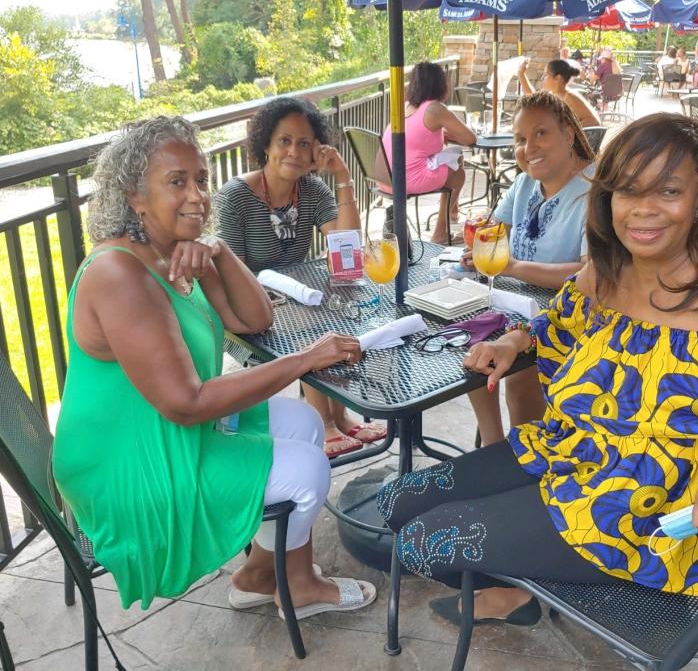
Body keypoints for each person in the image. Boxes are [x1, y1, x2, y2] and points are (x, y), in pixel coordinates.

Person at [377, 112, 698, 627]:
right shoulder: (607, 272)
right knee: (397, 503)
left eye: (669, 191)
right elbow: (558, 322)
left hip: (646, 509)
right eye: (629, 191)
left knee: (422, 542)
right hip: (572, 451)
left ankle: (524, 583)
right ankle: (515, 589)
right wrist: (515, 339)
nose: (644, 211)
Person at [53, 116, 376, 617]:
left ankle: (259, 575)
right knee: (307, 468)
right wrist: (307, 359)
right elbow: (188, 403)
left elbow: (254, 317)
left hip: (162, 429)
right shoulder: (120, 273)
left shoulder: (171, 256)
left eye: (201, 180)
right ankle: (299, 585)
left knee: (306, 422)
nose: (198, 196)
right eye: (176, 182)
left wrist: (220, 251)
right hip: (129, 462)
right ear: (135, 197)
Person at [214, 97, 387, 459]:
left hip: (296, 303)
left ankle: (339, 414)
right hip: (249, 317)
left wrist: (342, 177)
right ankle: (322, 421)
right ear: (266, 145)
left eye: (304, 143)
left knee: (344, 307)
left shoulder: (311, 191)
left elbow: (348, 253)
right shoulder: (234, 198)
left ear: (315, 152)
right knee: (318, 323)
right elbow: (234, 279)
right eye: (284, 141)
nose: (294, 151)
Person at [463, 92, 595, 446]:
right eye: (520, 139)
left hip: (572, 316)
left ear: (568, 134)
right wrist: (476, 249)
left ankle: (523, 451)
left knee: (521, 377)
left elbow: (590, 273)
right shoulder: (524, 184)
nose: (528, 147)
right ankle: (492, 447)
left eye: (541, 133)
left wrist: (513, 266)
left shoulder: (595, 193)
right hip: (517, 304)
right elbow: (495, 232)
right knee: (471, 340)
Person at [382, 61, 477, 243]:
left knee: (457, 157)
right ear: (440, 84)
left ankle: (452, 213)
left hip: (387, 177)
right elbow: (470, 139)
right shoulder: (435, 109)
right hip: (407, 179)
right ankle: (440, 232)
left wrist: (443, 134)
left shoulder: (407, 106)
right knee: (457, 174)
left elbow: (418, 137)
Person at [517, 59, 600, 127]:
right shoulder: (553, 94)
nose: (542, 78)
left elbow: (594, 122)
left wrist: (568, 131)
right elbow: (533, 99)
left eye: (546, 75)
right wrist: (521, 75)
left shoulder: (569, 97)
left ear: (557, 78)